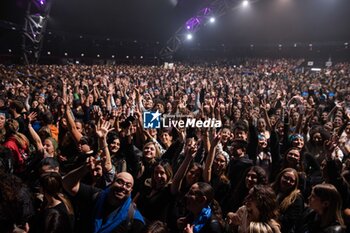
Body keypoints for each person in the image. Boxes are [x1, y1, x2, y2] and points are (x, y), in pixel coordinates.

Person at [63, 161, 145, 233]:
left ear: (131, 190)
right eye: (120, 182)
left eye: (128, 185)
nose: (123, 187)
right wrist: (85, 168)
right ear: (112, 182)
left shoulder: (134, 219)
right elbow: (67, 184)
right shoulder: (96, 195)